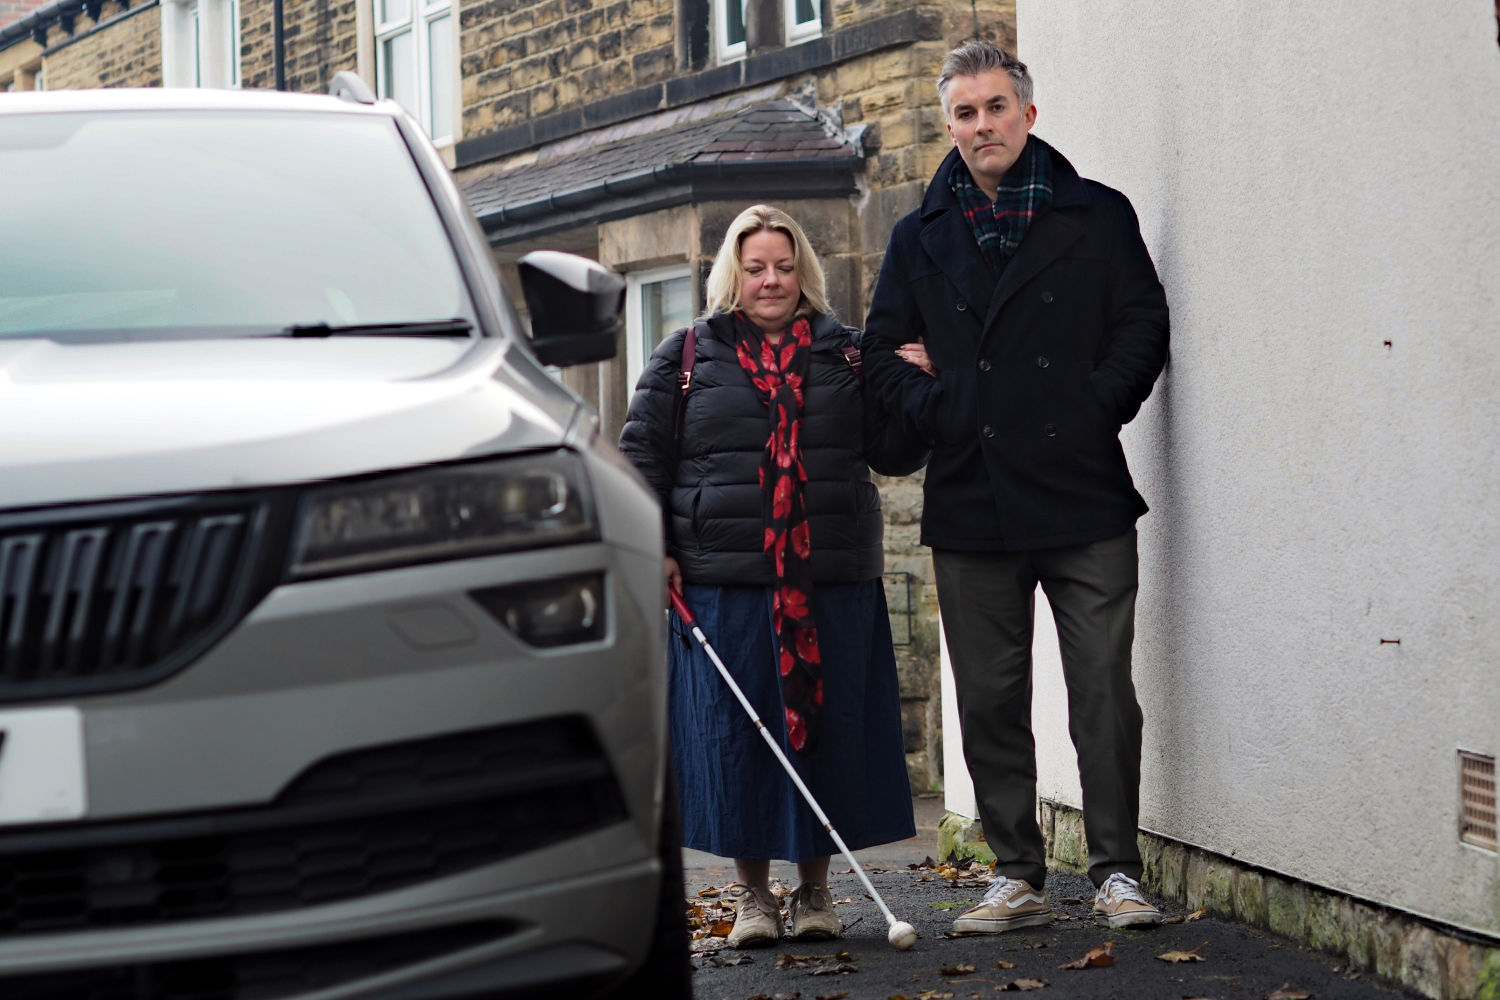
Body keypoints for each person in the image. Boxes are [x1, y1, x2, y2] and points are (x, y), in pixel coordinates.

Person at [864, 40, 1171, 933]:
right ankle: (1017, 877)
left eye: (996, 107)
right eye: (964, 112)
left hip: (1083, 488)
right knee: (989, 698)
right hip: (972, 492)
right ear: (950, 125)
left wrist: (1091, 405)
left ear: (1027, 115)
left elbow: (1142, 322)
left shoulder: (1097, 214)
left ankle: (1117, 870)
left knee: (1103, 692)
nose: (981, 125)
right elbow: (880, 354)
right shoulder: (917, 236)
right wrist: (949, 403)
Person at [619, 205, 925, 948]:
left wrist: (913, 391)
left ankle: (816, 892)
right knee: (738, 742)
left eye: (785, 267)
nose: (771, 281)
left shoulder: (848, 355)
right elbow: (640, 457)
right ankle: (754, 899)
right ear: (733, 273)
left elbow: (892, 453)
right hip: (724, 583)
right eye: (756, 268)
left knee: (824, 738)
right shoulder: (685, 355)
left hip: (829, 581)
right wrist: (655, 543)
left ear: (804, 273)